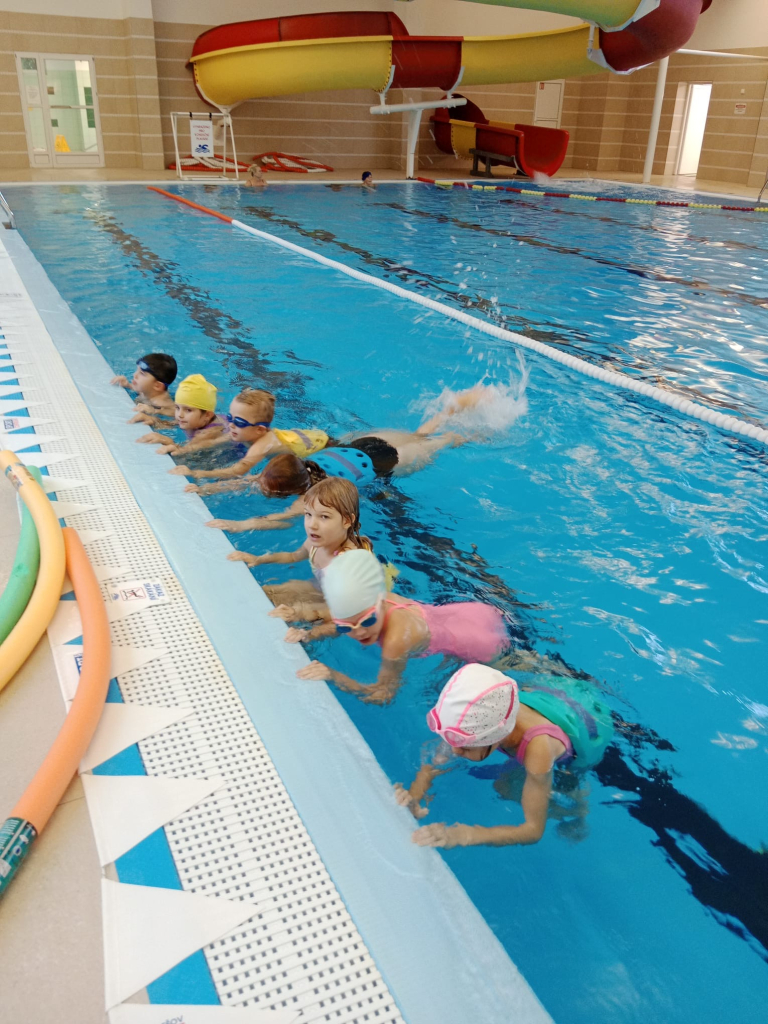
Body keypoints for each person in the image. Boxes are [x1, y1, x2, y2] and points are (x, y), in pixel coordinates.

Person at [394, 663, 614, 849]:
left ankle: (579, 811)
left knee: (506, 788)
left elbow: (533, 830)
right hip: (553, 694)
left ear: (496, 735)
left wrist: (463, 835)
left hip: (587, 727)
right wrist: (415, 795)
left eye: (466, 746)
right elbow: (435, 764)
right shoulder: (477, 719)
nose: (454, 751)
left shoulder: (539, 751)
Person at [202, 382, 488, 510]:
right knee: (419, 436)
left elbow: (275, 516)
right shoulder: (303, 470)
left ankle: (469, 435)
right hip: (362, 445)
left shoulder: (309, 498)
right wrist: (206, 488)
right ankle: (448, 411)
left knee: (441, 442)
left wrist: (236, 523)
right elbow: (254, 480)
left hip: (388, 461)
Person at [295, 549, 509, 704]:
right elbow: (341, 619)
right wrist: (307, 634)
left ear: (380, 602)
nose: (359, 632)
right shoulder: (370, 599)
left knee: (513, 670)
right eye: (345, 628)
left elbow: (382, 694)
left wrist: (333, 676)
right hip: (471, 613)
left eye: (367, 621)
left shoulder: (396, 640)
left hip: (481, 645)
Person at [230, 477, 376, 633]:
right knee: (261, 594)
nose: (312, 524)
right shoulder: (316, 541)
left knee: (293, 619)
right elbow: (293, 556)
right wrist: (258, 559)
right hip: (319, 588)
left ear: (347, 521)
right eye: (308, 514)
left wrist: (301, 613)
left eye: (324, 516)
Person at [169, 388, 328, 487]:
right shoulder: (245, 432)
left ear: (260, 430)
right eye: (230, 418)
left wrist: (196, 473)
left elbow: (238, 471)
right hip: (302, 437)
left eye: (238, 422)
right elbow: (214, 442)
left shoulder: (262, 445)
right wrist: (181, 449)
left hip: (321, 448)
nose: (231, 425)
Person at [136, 373, 226, 456]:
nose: (180, 415)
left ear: (207, 415)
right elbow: (169, 424)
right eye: (177, 408)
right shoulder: (190, 419)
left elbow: (186, 453)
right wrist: (154, 420)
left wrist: (167, 441)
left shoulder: (208, 433)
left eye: (188, 410)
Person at [110, 353, 177, 423]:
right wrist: (128, 385)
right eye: (137, 370)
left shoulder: (160, 402)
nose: (135, 375)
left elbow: (177, 413)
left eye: (142, 373)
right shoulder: (147, 390)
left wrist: (154, 411)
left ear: (157, 386)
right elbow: (139, 389)